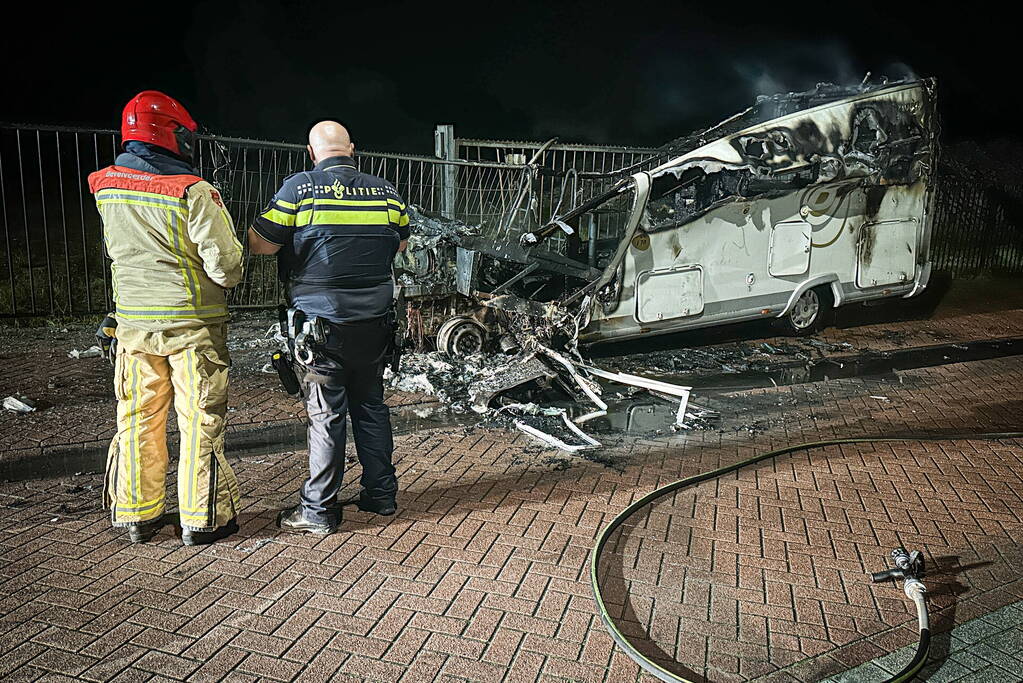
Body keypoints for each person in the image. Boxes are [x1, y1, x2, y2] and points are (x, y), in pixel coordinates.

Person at [88, 91, 244, 545]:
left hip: (133, 326)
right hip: (193, 326)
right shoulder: (192, 192)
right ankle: (202, 519)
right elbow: (225, 267)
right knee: (199, 421)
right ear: (169, 132)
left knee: (137, 419)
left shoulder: (105, 185)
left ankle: (137, 515)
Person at [248, 121, 409, 535]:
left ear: (311, 151)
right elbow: (402, 244)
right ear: (351, 149)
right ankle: (381, 495)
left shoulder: (299, 189)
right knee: (371, 407)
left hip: (322, 329)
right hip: (375, 325)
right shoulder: (387, 192)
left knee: (326, 416)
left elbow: (260, 243)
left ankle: (318, 510)